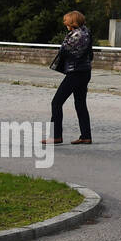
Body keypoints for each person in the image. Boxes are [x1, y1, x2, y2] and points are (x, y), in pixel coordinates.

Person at [42, 11, 94, 145]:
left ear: (72, 22)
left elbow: (65, 51)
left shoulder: (77, 35)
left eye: (67, 21)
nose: (65, 24)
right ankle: (86, 136)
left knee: (56, 102)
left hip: (75, 72)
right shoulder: (86, 33)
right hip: (85, 71)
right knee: (80, 104)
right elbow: (90, 54)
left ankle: (56, 136)